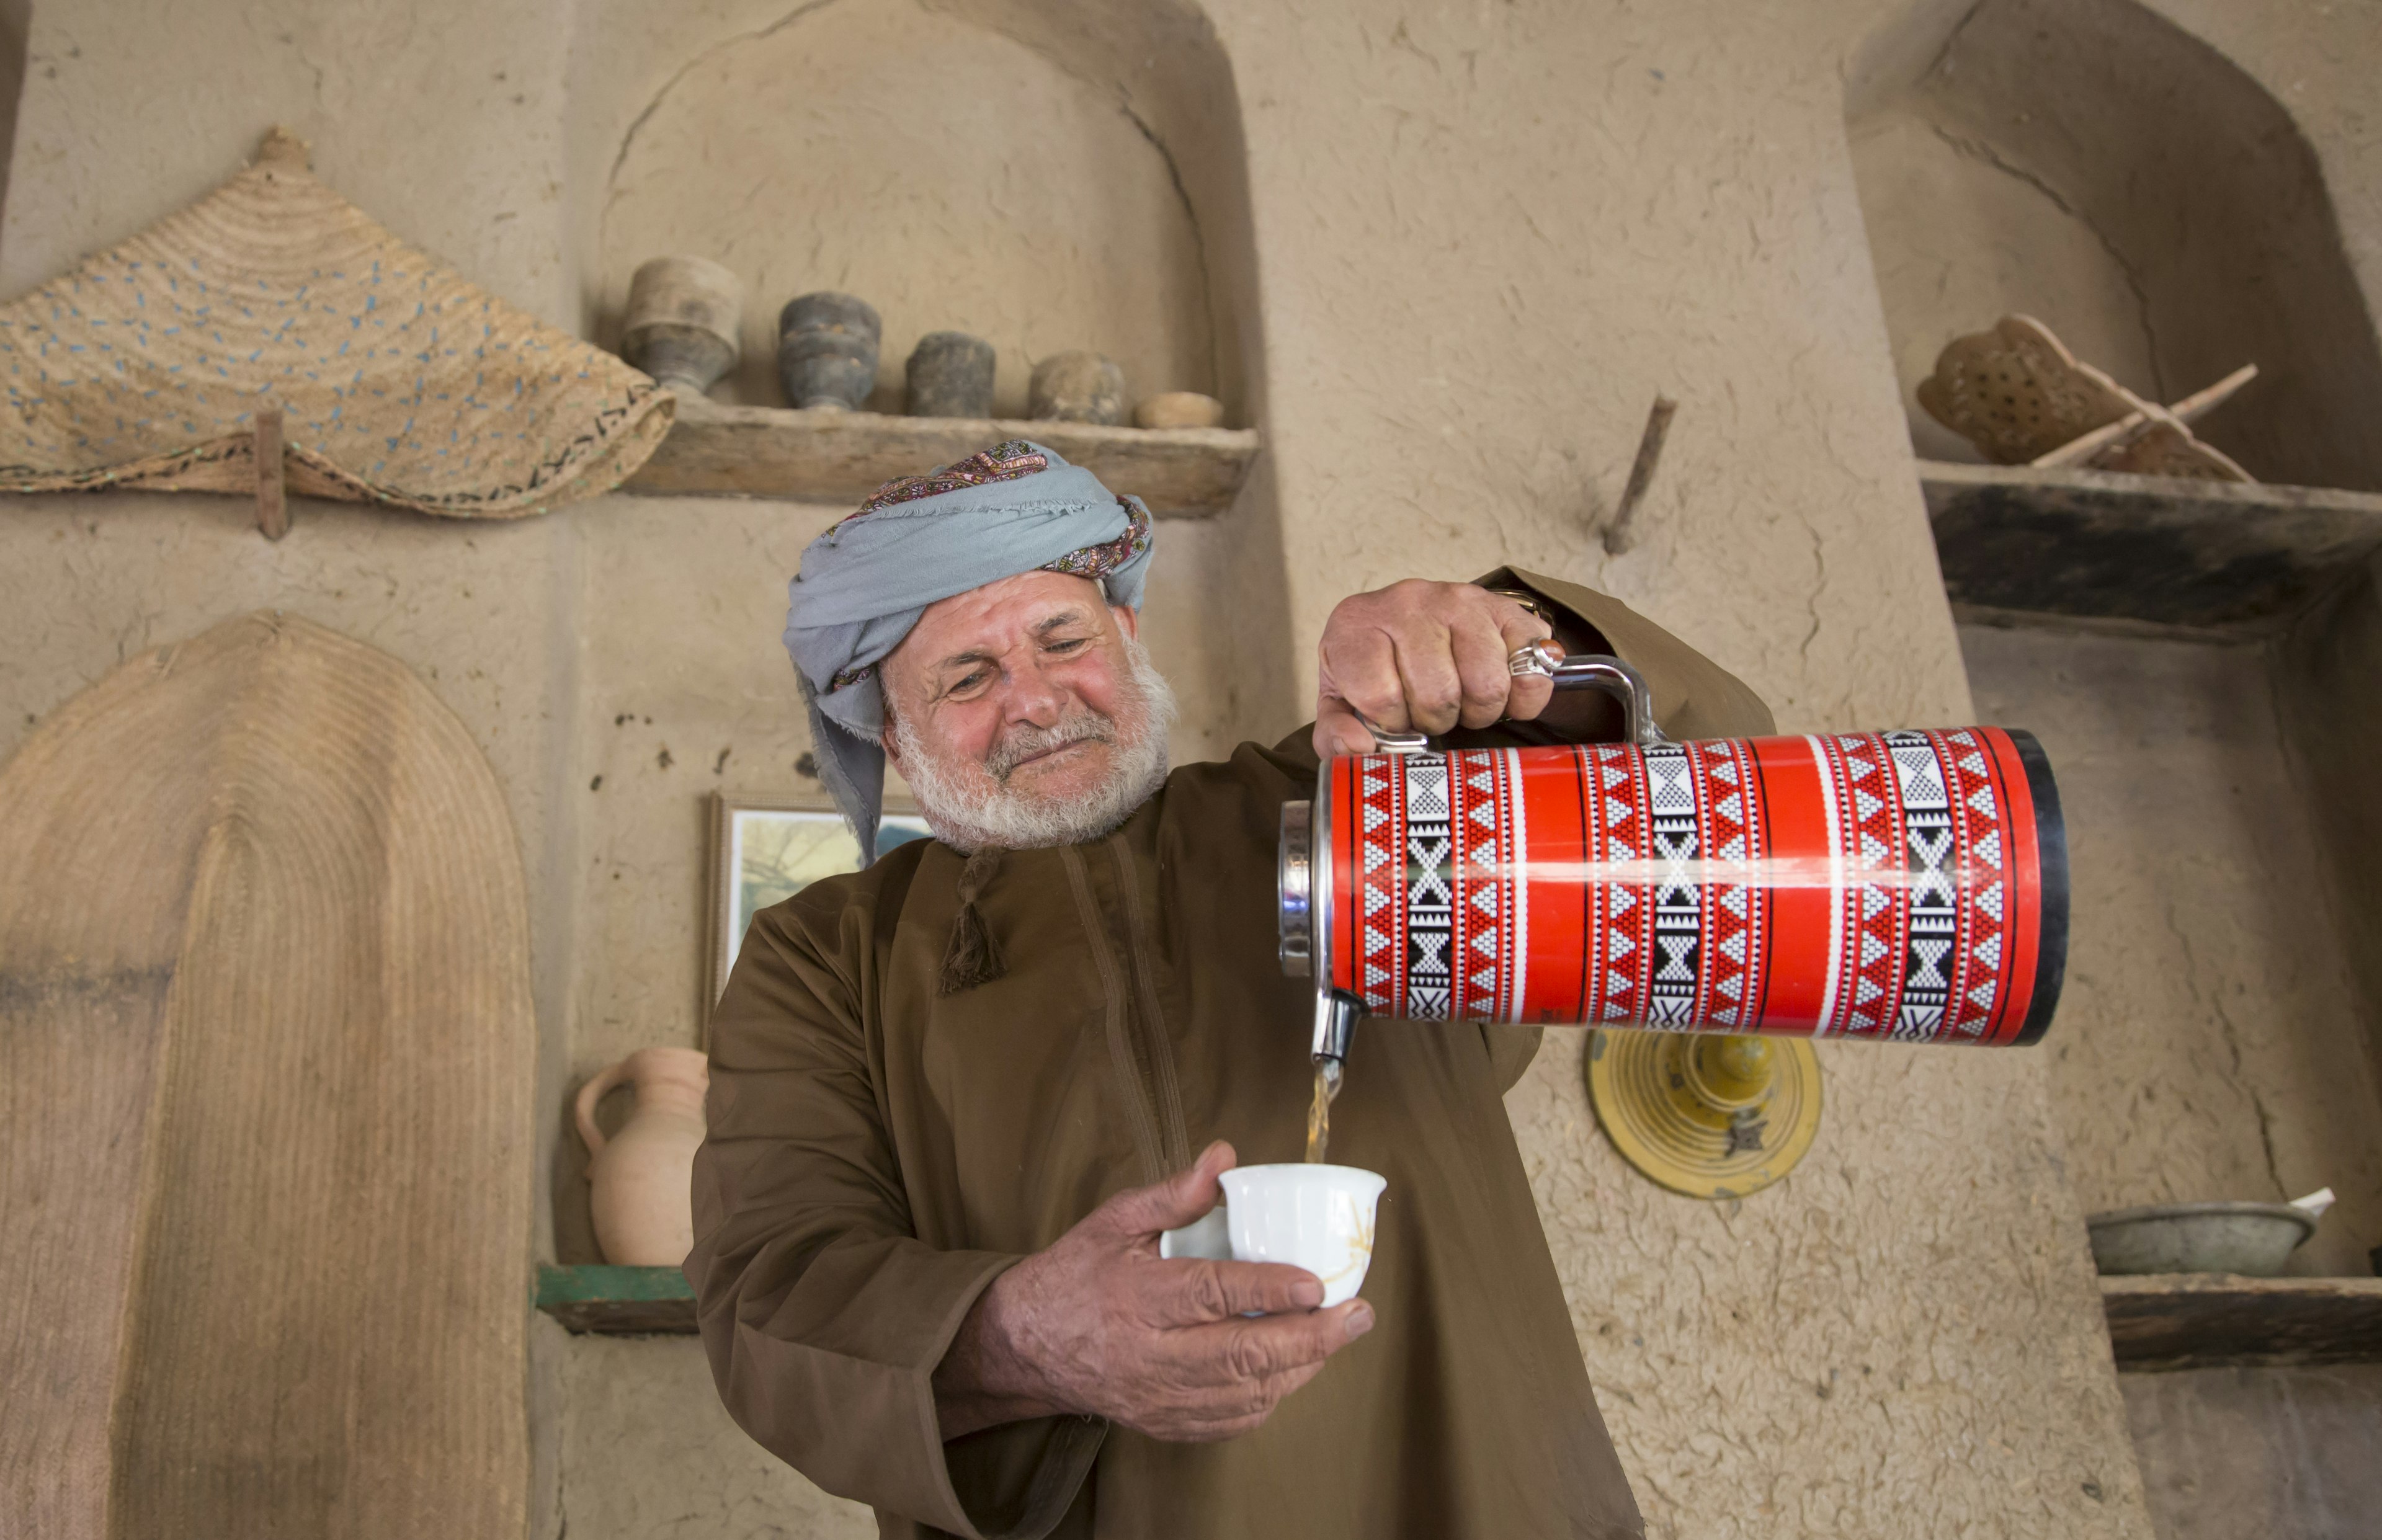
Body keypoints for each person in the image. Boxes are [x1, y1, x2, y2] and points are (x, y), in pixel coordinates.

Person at [688, 439, 1773, 1539]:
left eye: (1063, 638)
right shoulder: (825, 958)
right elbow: (774, 1304)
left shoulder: (1363, 796)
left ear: (1130, 638)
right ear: (895, 741)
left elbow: (1717, 781)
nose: (1034, 701)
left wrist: (1496, 640)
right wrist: (1023, 1338)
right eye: (967, 678)